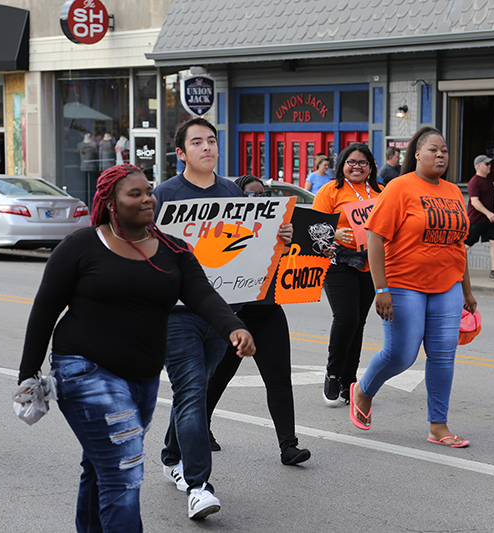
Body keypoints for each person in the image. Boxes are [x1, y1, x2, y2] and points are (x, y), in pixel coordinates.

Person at [18, 164, 254, 531]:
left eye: (149, 191)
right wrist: (27, 376)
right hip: (82, 369)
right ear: (111, 203)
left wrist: (233, 327)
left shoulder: (173, 250)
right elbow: (45, 309)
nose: (147, 199)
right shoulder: (81, 246)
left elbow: (202, 294)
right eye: (136, 194)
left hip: (142, 379)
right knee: (123, 467)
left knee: (101, 466)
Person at [153, 117, 289, 519]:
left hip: (225, 311)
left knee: (191, 392)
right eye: (197, 142)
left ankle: (171, 455)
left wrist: (277, 238)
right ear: (181, 153)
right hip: (177, 315)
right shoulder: (163, 195)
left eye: (211, 141)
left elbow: (250, 243)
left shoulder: (232, 191)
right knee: (193, 393)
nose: (207, 148)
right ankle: (199, 486)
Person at [349, 126, 477, 448]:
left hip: (446, 285)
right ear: (417, 154)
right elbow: (375, 237)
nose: (440, 155)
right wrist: (381, 289)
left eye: (444, 151)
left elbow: (458, 245)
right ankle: (363, 391)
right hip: (404, 284)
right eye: (433, 150)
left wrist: (467, 291)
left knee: (443, 356)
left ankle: (438, 426)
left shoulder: (452, 192)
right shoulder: (399, 188)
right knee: (402, 355)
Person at [205, 175, 311, 466]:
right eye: (251, 197)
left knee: (279, 380)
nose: (259, 202)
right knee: (217, 378)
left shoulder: (278, 230)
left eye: (264, 197)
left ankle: (289, 445)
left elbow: (301, 259)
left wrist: (290, 240)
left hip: (268, 313)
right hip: (235, 317)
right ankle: (200, 428)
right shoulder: (224, 231)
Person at [312, 142, 382, 407]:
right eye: (351, 162)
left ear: (370, 167)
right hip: (337, 261)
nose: (357, 167)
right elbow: (314, 229)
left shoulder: (381, 191)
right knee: (346, 318)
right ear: (342, 165)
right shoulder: (329, 191)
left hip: (370, 263)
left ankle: (349, 380)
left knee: (359, 323)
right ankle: (332, 374)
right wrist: (334, 232)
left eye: (362, 162)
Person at [465, 155, 494, 279]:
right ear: (478, 166)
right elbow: (475, 202)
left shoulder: (488, 180)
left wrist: (490, 215)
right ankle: (451, 265)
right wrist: (488, 213)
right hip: (477, 219)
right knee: (466, 244)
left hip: (489, 219)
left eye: (490, 164)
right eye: (487, 164)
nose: (490, 166)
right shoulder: (474, 182)